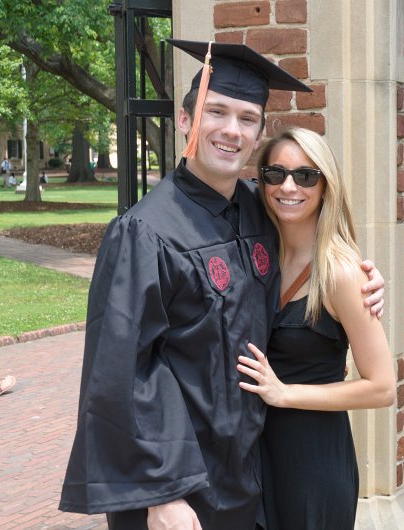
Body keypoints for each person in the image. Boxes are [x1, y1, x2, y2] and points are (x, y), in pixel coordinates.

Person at [59, 40, 385, 530]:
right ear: (185, 120)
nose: (232, 130)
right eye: (216, 112)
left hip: (250, 477)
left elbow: (317, 238)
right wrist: (163, 495)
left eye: (247, 118)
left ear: (258, 135)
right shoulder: (145, 232)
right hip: (183, 487)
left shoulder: (259, 207)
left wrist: (363, 276)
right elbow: (122, 372)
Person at [237, 128, 396, 529]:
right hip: (258, 455)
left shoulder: (340, 272)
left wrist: (285, 393)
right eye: (275, 173)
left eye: (306, 176)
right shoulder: (257, 253)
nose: (289, 187)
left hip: (312, 462)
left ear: (326, 186)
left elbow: (382, 388)